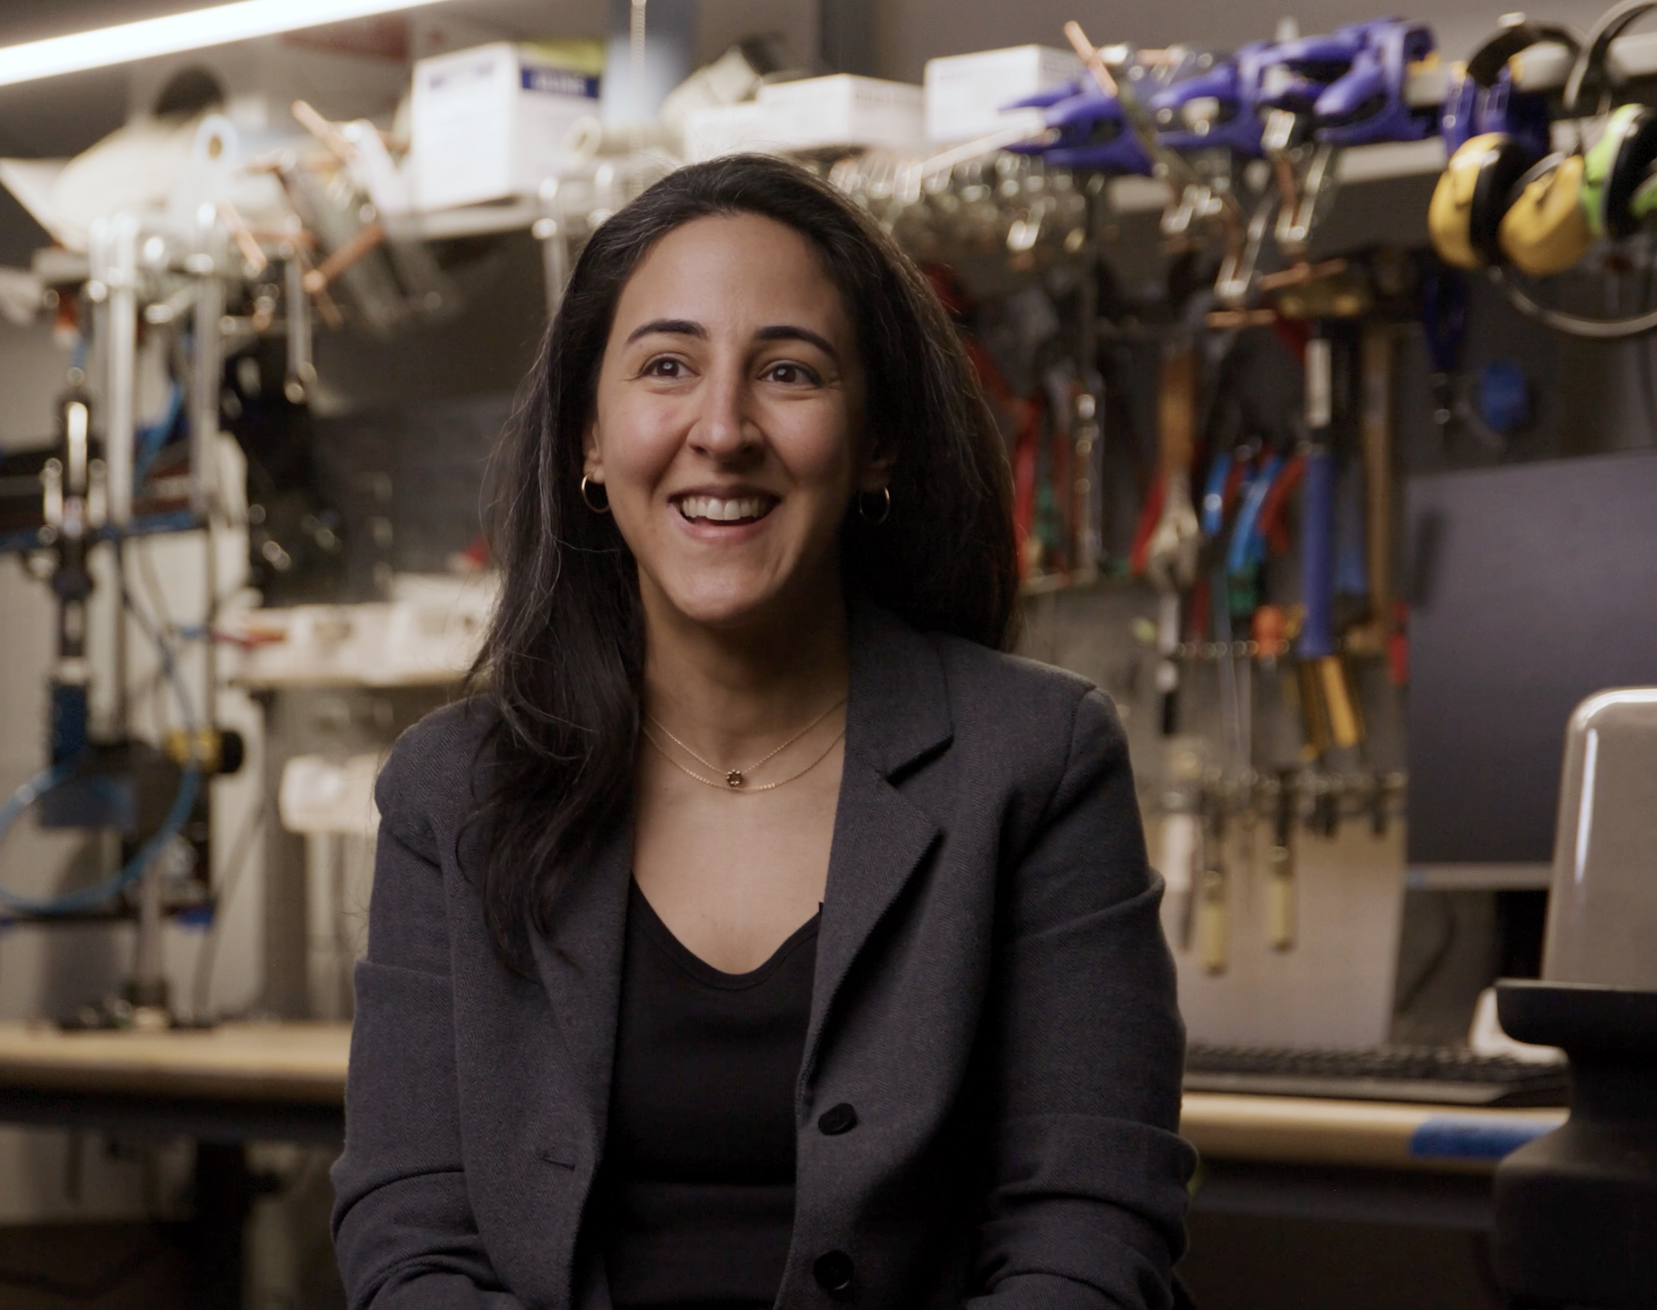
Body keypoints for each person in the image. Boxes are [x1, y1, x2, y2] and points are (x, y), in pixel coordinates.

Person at [332, 153, 1193, 1309]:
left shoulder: (1035, 759)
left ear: (876, 441)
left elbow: (1088, 1230)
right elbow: (408, 1242)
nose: (723, 428)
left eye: (788, 370)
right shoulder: (454, 789)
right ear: (589, 438)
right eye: (667, 365)